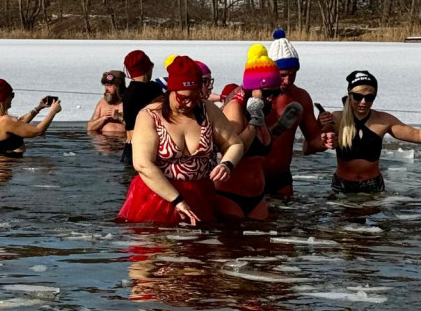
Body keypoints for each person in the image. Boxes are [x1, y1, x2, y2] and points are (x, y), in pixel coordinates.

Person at [117, 56, 244, 226]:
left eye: (195, 96)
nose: (190, 103)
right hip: (159, 195)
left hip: (199, 193)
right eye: (183, 98)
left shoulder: (206, 109)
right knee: (160, 247)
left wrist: (227, 164)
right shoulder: (150, 116)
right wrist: (177, 200)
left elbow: (234, 144)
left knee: (200, 248)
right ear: (171, 90)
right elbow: (142, 164)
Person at [321, 70, 421, 194]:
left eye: (369, 97)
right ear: (349, 95)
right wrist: (320, 126)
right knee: (342, 213)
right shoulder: (336, 119)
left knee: (373, 213)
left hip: (373, 185)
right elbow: (310, 145)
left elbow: (416, 135)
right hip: (342, 185)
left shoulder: (383, 120)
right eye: (358, 96)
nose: (363, 102)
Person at [215, 46, 282, 220]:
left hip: (257, 197)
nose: (271, 98)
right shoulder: (235, 108)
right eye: (267, 92)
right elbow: (232, 149)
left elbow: (260, 150)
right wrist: (253, 124)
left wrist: (278, 129)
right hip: (229, 195)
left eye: (275, 93)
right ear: (252, 88)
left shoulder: (261, 108)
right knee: (234, 245)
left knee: (263, 245)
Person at [263, 28, 326, 197]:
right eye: (283, 75)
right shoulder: (253, 95)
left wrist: (326, 135)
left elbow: (313, 142)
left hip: (282, 177)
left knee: (286, 221)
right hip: (252, 176)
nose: (287, 81)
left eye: (293, 75)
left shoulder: (301, 97)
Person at [0, 78, 61, 156]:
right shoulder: (5, 120)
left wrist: (38, 108)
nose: (12, 98)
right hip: (10, 162)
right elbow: (38, 131)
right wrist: (53, 111)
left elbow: (18, 123)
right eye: (12, 95)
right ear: (4, 97)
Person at [120, 49, 163, 166]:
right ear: (148, 68)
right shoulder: (153, 90)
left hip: (129, 148)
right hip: (146, 149)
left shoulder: (128, 93)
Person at [87, 70, 126, 135]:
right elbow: (90, 127)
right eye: (105, 85)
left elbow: (137, 126)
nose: (106, 89)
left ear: (119, 87)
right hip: (104, 142)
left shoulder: (128, 102)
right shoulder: (102, 103)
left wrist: (120, 117)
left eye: (110, 85)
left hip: (123, 141)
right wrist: (103, 118)